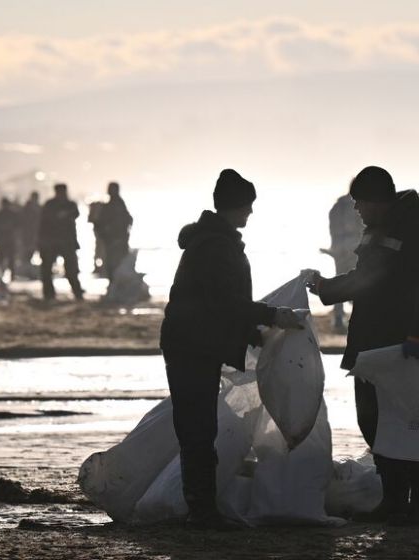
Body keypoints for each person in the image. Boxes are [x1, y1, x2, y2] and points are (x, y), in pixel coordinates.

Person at [160, 168, 303, 529]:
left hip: (190, 342)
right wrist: (273, 315)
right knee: (198, 430)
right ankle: (202, 512)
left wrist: (254, 334)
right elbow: (225, 302)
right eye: (247, 206)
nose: (250, 213)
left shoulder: (210, 241)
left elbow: (217, 304)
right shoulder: (216, 246)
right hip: (193, 346)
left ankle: (201, 507)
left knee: (198, 427)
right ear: (235, 206)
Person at [307, 166, 419, 526]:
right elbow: (367, 280)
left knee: (408, 424)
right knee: (374, 422)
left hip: (401, 347)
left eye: (360, 202)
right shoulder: (381, 232)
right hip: (372, 343)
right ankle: (394, 499)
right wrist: (327, 289)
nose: (357, 210)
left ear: (377, 200)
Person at [322, 193, 363, 332]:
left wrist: (334, 247)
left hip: (339, 248)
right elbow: (362, 227)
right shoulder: (359, 204)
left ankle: (338, 318)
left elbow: (332, 228)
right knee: (357, 281)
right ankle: (355, 316)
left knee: (340, 280)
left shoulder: (337, 206)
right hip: (355, 246)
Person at [38, 183, 84, 301]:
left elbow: (75, 214)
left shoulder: (70, 205)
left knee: (71, 271)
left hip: (66, 242)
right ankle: (49, 295)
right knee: (47, 270)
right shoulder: (50, 205)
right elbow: (44, 222)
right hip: (52, 242)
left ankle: (77, 293)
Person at [95, 182, 133, 280]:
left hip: (117, 240)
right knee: (114, 264)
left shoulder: (117, 204)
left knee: (117, 264)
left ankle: (116, 284)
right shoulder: (113, 204)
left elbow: (126, 220)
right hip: (113, 240)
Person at [0, 198, 21, 277]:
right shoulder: (12, 214)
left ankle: (3, 274)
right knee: (10, 258)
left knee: (3, 257)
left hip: (3, 238)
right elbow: (19, 225)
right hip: (8, 238)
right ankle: (10, 275)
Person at [20, 191, 41, 267]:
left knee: (31, 250)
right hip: (28, 234)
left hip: (36, 234)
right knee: (27, 251)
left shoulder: (37, 208)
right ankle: (26, 267)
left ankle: (27, 267)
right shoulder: (27, 208)